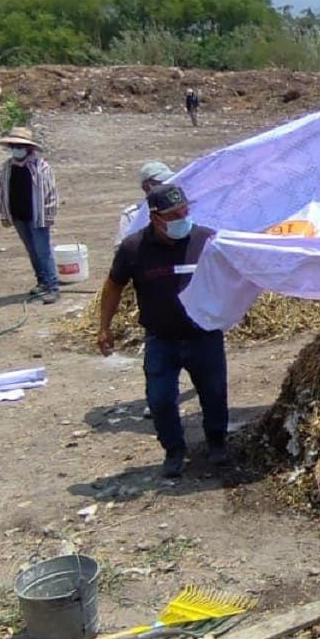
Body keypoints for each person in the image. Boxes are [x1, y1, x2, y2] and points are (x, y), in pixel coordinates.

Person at [97, 185, 230, 476]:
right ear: (156, 218)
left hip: (203, 335)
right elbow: (113, 286)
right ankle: (173, 450)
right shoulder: (134, 248)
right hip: (161, 339)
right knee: (159, 399)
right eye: (174, 215)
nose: (183, 218)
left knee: (214, 392)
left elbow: (235, 272)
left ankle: (217, 442)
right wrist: (104, 327)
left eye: (185, 212)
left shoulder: (206, 240)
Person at [0, 130, 61, 303]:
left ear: (28, 148)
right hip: (18, 215)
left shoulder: (41, 167)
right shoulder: (7, 167)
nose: (17, 149)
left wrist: (48, 215)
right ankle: (42, 282)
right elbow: (2, 191)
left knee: (43, 251)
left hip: (37, 215)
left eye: (20, 146)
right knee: (32, 251)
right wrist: (4, 213)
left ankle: (52, 287)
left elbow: (51, 194)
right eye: (14, 146)